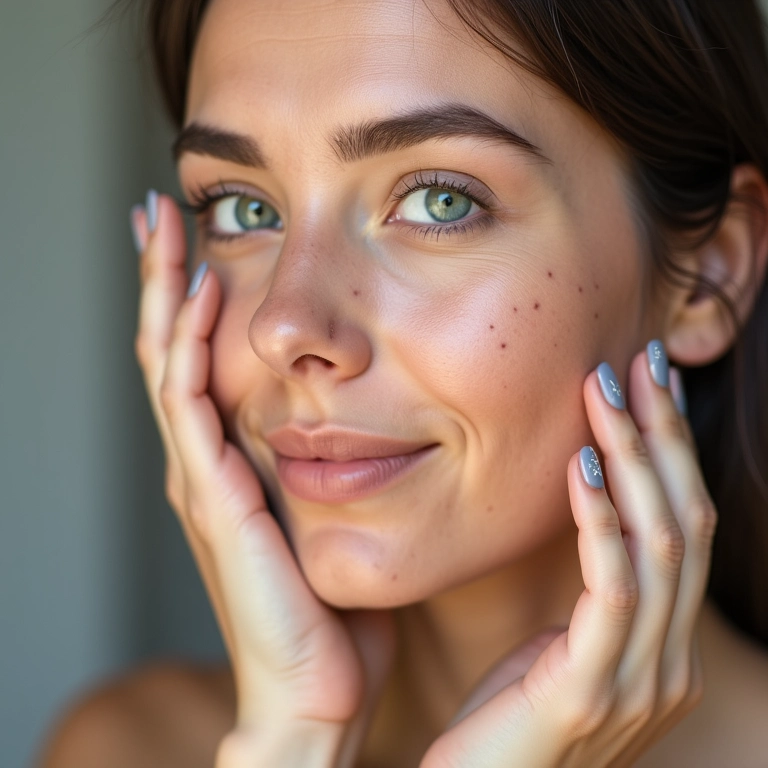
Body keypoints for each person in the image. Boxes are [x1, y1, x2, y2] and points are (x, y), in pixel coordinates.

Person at [38, 0, 768, 766]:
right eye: (244, 208)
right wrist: (295, 741)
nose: (282, 328)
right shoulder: (132, 748)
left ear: (705, 273)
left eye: (438, 201)